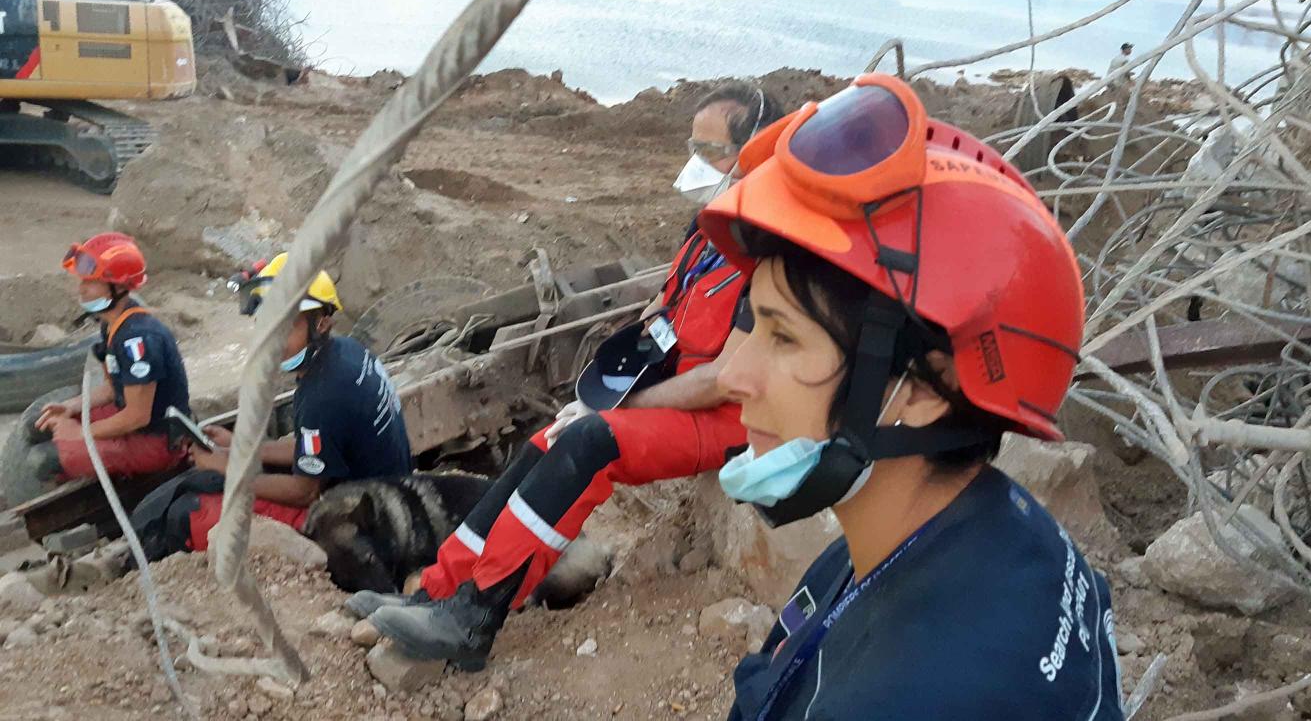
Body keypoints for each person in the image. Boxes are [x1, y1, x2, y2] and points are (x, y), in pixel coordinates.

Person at [695, 74, 1123, 719]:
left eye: (784, 338)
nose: (733, 376)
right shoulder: (980, 528)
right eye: (756, 324)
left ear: (923, 390)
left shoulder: (911, 695)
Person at [345, 84, 786, 672]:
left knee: (589, 444)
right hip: (674, 394)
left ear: (756, 149)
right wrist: (621, 366)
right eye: (692, 145)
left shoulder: (774, 252)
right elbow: (666, 303)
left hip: (728, 419)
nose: (697, 162)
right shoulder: (711, 227)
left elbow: (727, 379)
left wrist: (630, 407)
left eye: (710, 149)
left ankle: (475, 615)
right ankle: (437, 589)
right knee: (545, 441)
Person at [130, 253, 413, 558]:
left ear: (322, 323)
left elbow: (305, 492)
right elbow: (315, 447)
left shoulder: (324, 393)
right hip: (385, 493)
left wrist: (228, 470)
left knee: (193, 513)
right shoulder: (343, 352)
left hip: (366, 523)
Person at [22, 232, 190, 487]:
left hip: (155, 441)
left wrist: (79, 434)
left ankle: (94, 484)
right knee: (37, 424)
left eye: (91, 282)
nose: (81, 289)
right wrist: (71, 406)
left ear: (120, 286)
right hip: (130, 419)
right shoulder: (112, 324)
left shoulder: (139, 339)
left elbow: (137, 417)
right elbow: (113, 389)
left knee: (41, 461)